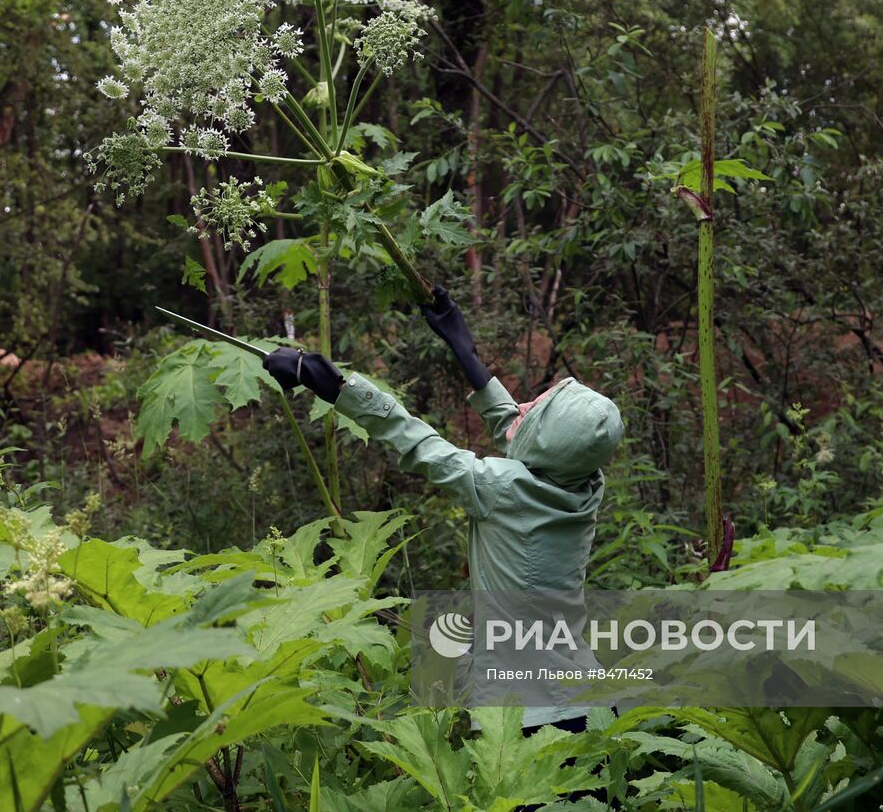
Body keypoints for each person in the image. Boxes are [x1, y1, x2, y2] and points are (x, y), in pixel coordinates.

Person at [263, 285, 624, 739]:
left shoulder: (503, 489)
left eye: (536, 411)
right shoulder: (585, 481)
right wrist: (462, 346)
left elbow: (418, 443)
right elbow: (521, 431)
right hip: (588, 700)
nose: (525, 405)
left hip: (537, 719)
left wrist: (337, 386)